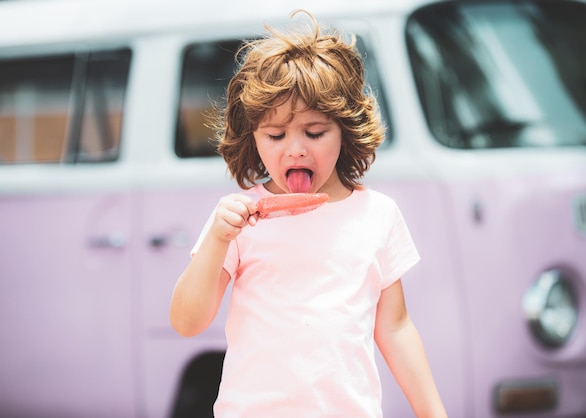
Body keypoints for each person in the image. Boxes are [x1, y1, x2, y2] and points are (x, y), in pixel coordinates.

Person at [170, 10, 448, 418]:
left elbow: (395, 327)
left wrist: (433, 413)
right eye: (276, 135)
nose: (296, 149)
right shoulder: (241, 220)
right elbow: (187, 322)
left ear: (345, 130)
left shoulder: (378, 216)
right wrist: (216, 238)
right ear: (253, 137)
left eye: (314, 133)